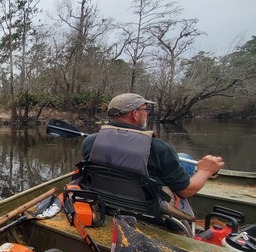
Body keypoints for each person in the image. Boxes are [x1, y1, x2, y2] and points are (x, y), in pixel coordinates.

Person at [79, 93, 224, 219]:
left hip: (106, 198)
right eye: (145, 109)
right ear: (135, 114)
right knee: (186, 162)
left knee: (183, 156)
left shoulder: (90, 141)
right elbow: (186, 191)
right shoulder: (158, 148)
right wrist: (205, 171)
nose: (147, 113)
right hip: (147, 206)